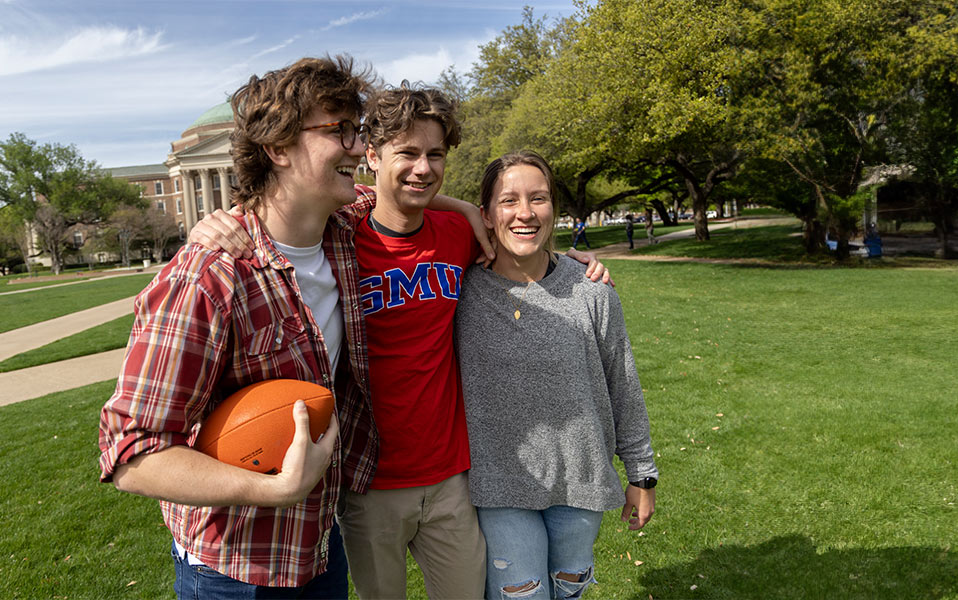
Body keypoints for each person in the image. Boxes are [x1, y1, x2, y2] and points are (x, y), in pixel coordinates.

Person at [186, 85, 615, 599]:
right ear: (370, 156)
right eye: (408, 153)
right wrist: (220, 225)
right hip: (369, 481)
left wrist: (573, 264)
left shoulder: (458, 232)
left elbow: (520, 243)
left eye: (435, 155)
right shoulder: (335, 236)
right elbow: (281, 217)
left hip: (455, 476)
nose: (423, 167)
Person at [97, 55, 378, 598]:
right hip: (234, 570)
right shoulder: (208, 277)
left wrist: (481, 219)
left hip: (319, 546)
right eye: (338, 131)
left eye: (357, 131)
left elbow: (408, 192)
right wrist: (273, 489)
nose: (359, 148)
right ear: (277, 149)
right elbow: (131, 453)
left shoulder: (345, 229)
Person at [456, 151, 657, 600]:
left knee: (569, 592)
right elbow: (390, 195)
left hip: (580, 483)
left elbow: (622, 384)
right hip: (499, 485)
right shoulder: (461, 292)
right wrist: (459, 207)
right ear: (485, 215)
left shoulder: (591, 290)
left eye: (539, 198)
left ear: (554, 210)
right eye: (508, 201)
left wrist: (642, 476)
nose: (525, 213)